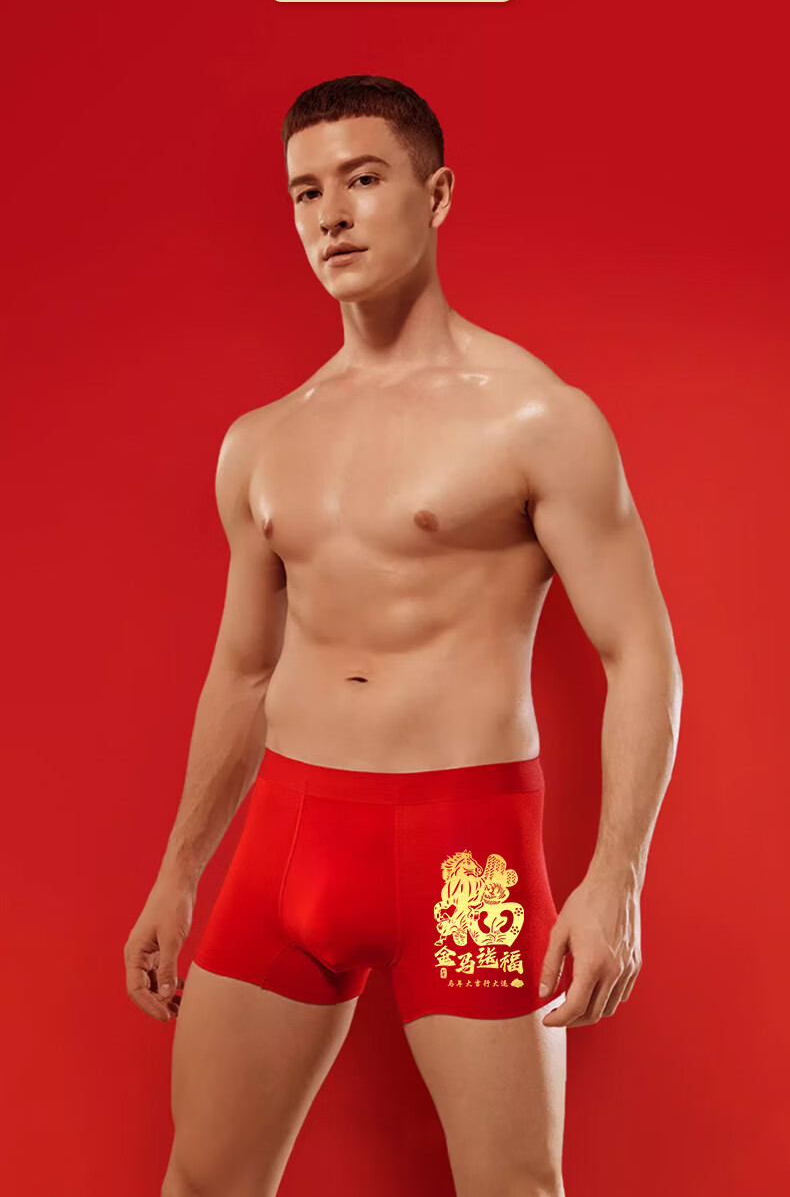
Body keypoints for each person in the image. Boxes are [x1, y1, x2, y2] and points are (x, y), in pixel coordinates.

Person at [125, 75, 682, 1197]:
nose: (330, 215)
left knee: (514, 1188)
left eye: (363, 179)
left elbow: (642, 655)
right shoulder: (262, 442)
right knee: (203, 1180)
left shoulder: (536, 417)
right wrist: (178, 869)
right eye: (306, 192)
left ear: (436, 194)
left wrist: (615, 875)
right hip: (288, 842)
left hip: (466, 846)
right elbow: (244, 668)